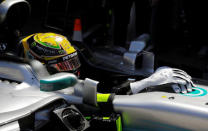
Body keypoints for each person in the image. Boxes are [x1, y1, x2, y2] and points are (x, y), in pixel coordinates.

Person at [18, 32, 194, 95]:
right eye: (64, 65)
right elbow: (100, 96)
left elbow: (104, 77)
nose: (74, 69)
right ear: (40, 64)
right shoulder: (33, 85)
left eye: (72, 61)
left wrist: (151, 75)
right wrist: (147, 82)